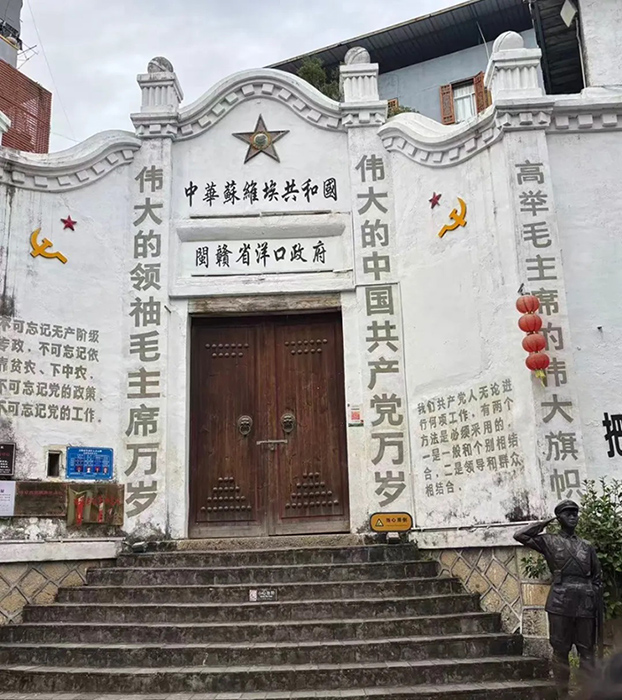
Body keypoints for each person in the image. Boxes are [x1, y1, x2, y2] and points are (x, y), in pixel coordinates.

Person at [514, 499, 602, 698]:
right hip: (560, 601)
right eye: (568, 514)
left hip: (585, 602)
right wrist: (546, 522)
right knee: (561, 650)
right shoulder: (549, 541)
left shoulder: (587, 546)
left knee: (587, 651)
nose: (573, 517)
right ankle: (562, 694)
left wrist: (593, 596)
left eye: (575, 514)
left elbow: (597, 578)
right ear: (559, 517)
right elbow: (520, 535)